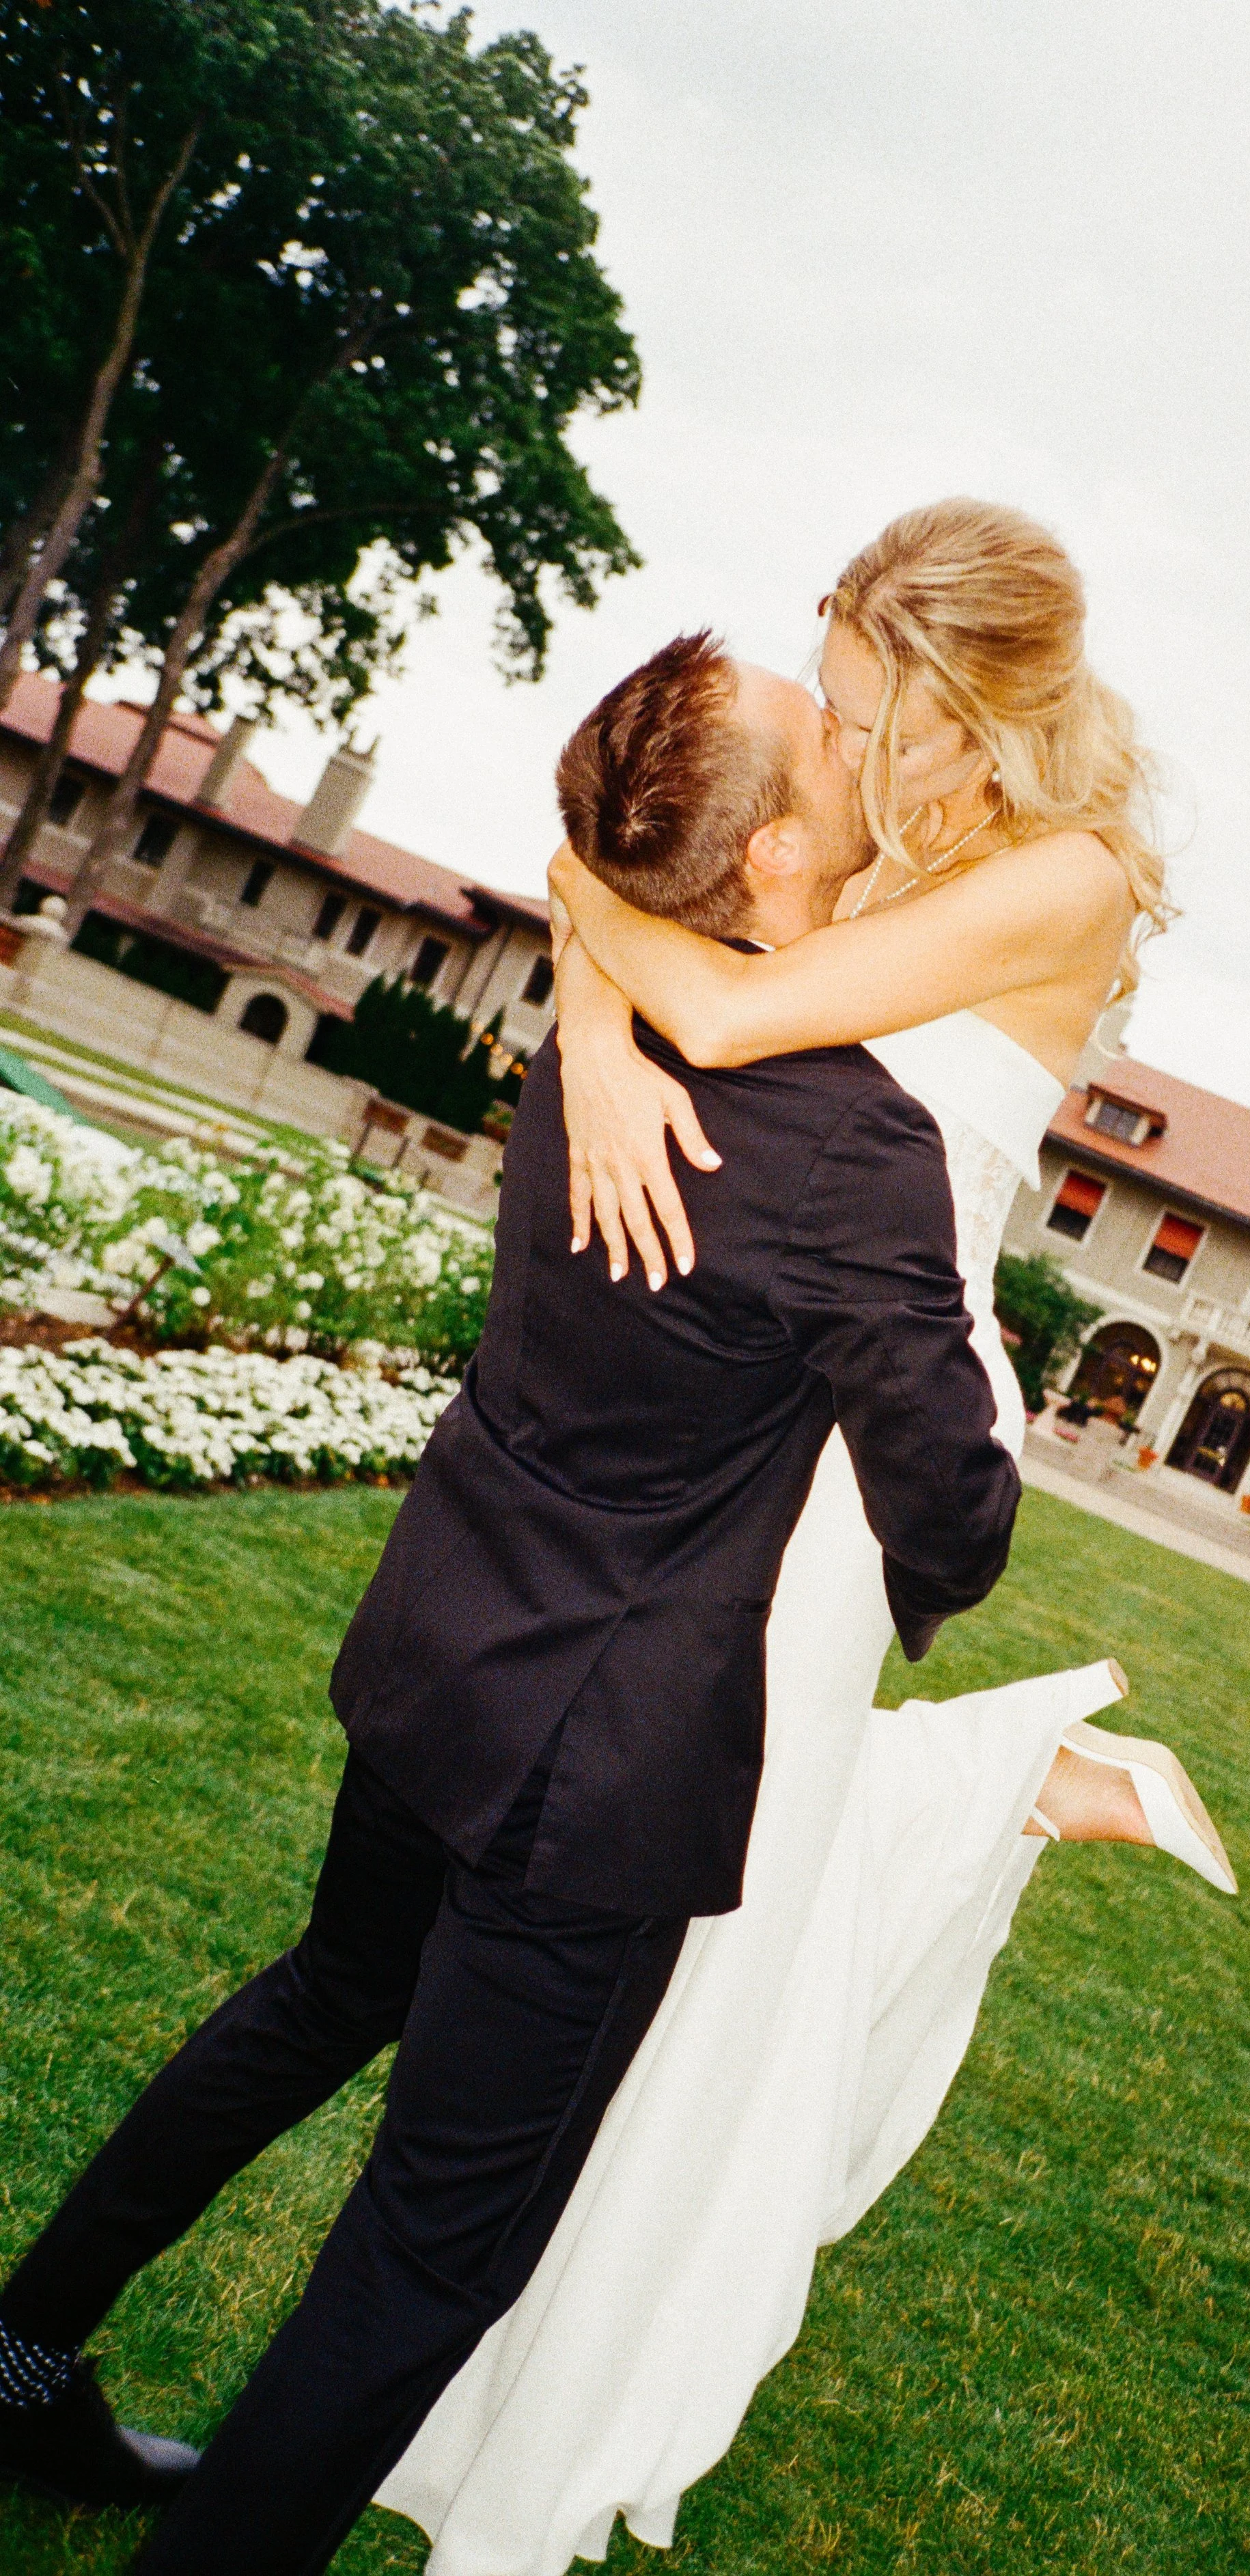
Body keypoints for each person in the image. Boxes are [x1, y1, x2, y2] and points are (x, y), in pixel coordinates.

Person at [0, 633, 1035, 2576]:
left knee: (320, 1999)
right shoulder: (853, 1145)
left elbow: (601, 881)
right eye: (830, 741)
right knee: (429, 2245)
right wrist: (950, 1350)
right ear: (783, 869)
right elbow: (951, 1536)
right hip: (596, 1767)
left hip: (439, 1642)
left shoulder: (607, 1026)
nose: (861, 742)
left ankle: (12, 2346)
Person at [380, 502, 1235, 2573]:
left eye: (863, 717)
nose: (832, 758)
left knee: (720, 1903)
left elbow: (738, 1018)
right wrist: (596, 1008)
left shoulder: (1064, 876)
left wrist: (596, 959)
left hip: (873, 1436)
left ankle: (569, 2387)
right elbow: (692, 938)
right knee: (684, 1885)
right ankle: (1017, 1786)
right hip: (780, 1396)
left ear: (963, 712)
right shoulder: (913, 830)